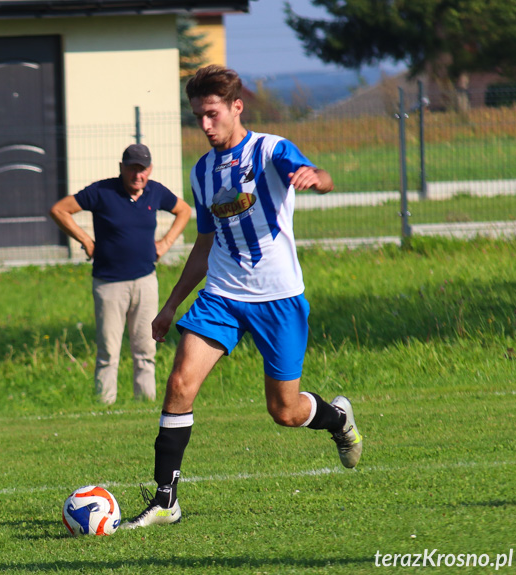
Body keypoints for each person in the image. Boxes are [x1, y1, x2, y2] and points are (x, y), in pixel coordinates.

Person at [123, 65, 363, 529]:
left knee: (285, 411)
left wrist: (316, 177)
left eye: (212, 114)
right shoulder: (202, 171)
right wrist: (172, 304)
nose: (205, 125)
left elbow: (318, 174)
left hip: (279, 300)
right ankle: (165, 501)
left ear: (237, 107)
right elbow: (206, 241)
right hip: (222, 296)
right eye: (197, 117)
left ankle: (337, 419)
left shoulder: (270, 149)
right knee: (178, 386)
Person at [49, 144, 191, 405]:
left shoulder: (155, 192)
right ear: (121, 168)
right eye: (133, 168)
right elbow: (60, 210)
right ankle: (104, 406)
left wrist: (166, 242)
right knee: (108, 352)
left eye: (143, 169)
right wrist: (85, 240)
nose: (138, 175)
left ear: (150, 170)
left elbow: (184, 210)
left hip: (146, 281)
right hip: (109, 284)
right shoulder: (102, 191)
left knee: (146, 349)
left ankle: (146, 403)